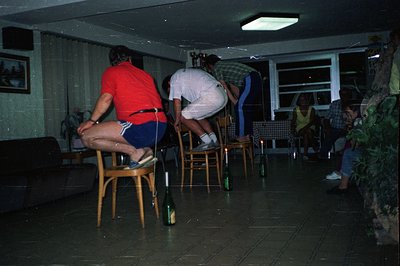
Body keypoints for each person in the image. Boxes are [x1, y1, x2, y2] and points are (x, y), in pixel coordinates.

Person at [77, 45, 167, 169]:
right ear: (130, 59)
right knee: (120, 126)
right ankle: (143, 150)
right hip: (160, 128)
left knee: (86, 137)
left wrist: (91, 121)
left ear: (112, 61)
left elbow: (106, 98)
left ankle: (134, 151)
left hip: (140, 127)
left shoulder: (112, 71)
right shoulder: (146, 75)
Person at [162, 68, 228, 151]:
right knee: (198, 116)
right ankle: (214, 140)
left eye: (170, 91)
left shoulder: (174, 78)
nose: (173, 92)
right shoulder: (187, 77)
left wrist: (177, 120)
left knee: (182, 116)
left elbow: (176, 101)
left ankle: (206, 141)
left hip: (212, 95)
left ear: (169, 83)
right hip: (222, 95)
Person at [205, 54, 262, 142]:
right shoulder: (225, 67)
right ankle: (247, 135)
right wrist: (237, 101)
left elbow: (223, 85)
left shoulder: (216, 67)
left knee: (240, 108)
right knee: (244, 108)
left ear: (209, 65)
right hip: (254, 78)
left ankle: (241, 135)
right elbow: (233, 87)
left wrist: (236, 103)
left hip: (250, 78)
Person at [327, 100, 362, 194]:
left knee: (348, 153)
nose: (345, 116)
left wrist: (351, 131)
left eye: (348, 113)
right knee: (346, 150)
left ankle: (343, 185)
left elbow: (356, 145)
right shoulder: (355, 122)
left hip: (364, 151)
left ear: (356, 113)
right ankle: (342, 175)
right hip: (361, 149)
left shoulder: (359, 123)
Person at [318, 87, 352, 160]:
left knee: (352, 137)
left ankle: (346, 155)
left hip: (348, 128)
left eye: (346, 94)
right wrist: (327, 128)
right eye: (342, 94)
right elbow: (326, 118)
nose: (344, 96)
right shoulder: (334, 104)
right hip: (335, 128)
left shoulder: (352, 105)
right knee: (328, 137)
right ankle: (322, 157)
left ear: (349, 95)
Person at [291, 93, 319, 160]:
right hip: (299, 127)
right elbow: (293, 121)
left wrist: (305, 128)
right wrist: (293, 130)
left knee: (306, 133)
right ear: (299, 101)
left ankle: (305, 154)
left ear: (307, 100)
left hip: (310, 126)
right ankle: (314, 147)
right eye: (301, 100)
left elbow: (312, 122)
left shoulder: (311, 109)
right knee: (307, 132)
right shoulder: (296, 110)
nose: (303, 101)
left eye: (304, 100)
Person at [389, 28, 400, 97]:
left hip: (397, 89)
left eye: (394, 39)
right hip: (396, 89)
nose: (393, 41)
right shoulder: (397, 52)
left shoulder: (398, 53)